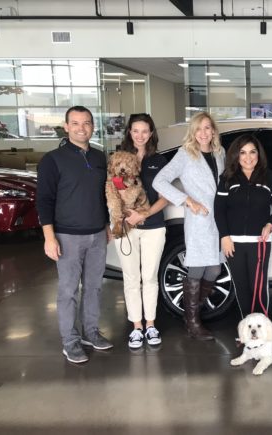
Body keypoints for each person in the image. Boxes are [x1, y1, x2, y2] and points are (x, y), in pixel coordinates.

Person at [36, 106, 113, 364]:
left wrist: (106, 224)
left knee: (93, 287)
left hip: (97, 235)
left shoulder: (100, 157)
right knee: (68, 291)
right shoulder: (52, 160)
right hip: (67, 236)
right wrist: (49, 237)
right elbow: (44, 200)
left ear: (93, 126)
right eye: (76, 123)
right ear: (66, 127)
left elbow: (103, 195)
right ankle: (70, 341)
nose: (82, 128)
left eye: (87, 123)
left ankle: (90, 332)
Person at [153, 112, 224, 341]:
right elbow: (159, 181)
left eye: (207, 128)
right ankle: (193, 322)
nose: (203, 133)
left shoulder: (219, 152)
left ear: (213, 130)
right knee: (197, 268)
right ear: (193, 132)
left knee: (214, 269)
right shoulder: (185, 154)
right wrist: (186, 200)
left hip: (219, 219)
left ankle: (189, 313)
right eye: (198, 128)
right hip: (199, 220)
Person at [113, 113, 169, 349]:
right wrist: (123, 217)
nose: (140, 135)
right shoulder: (118, 158)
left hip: (153, 226)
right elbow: (112, 191)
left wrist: (143, 214)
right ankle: (136, 327)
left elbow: (166, 197)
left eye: (145, 131)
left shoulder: (160, 160)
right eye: (135, 130)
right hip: (126, 226)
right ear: (129, 132)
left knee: (150, 277)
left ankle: (151, 325)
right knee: (131, 277)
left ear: (151, 133)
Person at [214, 134, 272, 316]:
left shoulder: (269, 177)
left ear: (258, 154)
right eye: (243, 152)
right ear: (236, 155)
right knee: (242, 287)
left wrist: (270, 224)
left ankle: (262, 327)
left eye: (252, 152)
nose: (248, 157)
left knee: (258, 288)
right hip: (233, 243)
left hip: (259, 242)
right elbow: (219, 210)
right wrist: (224, 237)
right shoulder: (227, 178)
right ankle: (247, 325)